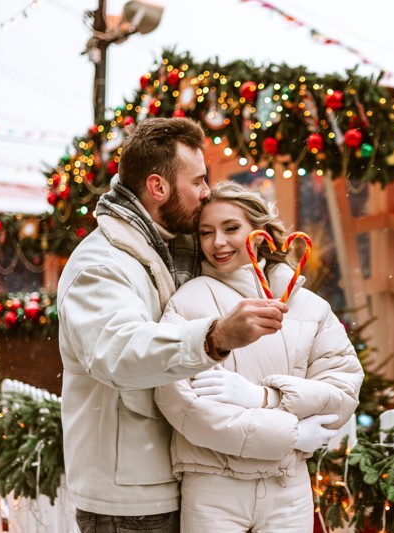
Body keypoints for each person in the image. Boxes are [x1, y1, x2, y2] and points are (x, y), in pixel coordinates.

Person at [58, 118, 288, 533]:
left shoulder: (174, 246)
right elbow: (120, 353)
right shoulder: (100, 264)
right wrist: (215, 336)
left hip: (185, 477)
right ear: (158, 187)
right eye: (198, 181)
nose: (206, 193)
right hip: (129, 500)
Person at [155, 181, 364, 533]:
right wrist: (291, 434)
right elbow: (182, 404)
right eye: (206, 233)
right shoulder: (186, 303)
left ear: (261, 233)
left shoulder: (311, 308)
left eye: (231, 228)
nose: (218, 242)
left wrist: (265, 397)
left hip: (288, 490)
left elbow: (342, 391)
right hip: (213, 489)